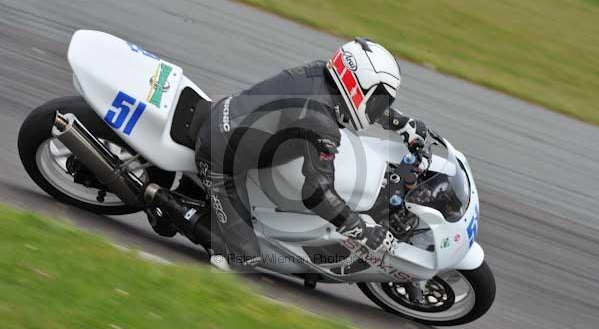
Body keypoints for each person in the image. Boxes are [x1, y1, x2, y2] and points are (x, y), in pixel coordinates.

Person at [146, 38, 427, 271]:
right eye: (380, 99)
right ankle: (160, 198)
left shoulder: (320, 74)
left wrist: (398, 122)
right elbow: (316, 192)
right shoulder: (322, 123)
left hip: (231, 118)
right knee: (244, 258)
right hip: (218, 156)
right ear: (356, 87)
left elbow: (354, 104)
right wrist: (359, 229)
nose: (380, 107)